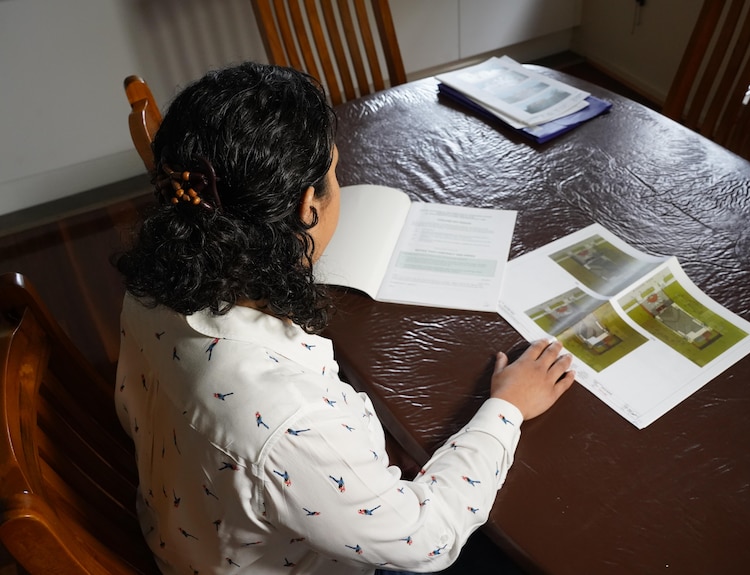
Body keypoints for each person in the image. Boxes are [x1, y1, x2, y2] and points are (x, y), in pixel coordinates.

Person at [114, 62, 574, 575]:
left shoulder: (156, 276)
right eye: (335, 173)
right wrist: (506, 408)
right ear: (307, 207)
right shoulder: (291, 423)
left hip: (190, 521)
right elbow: (428, 540)